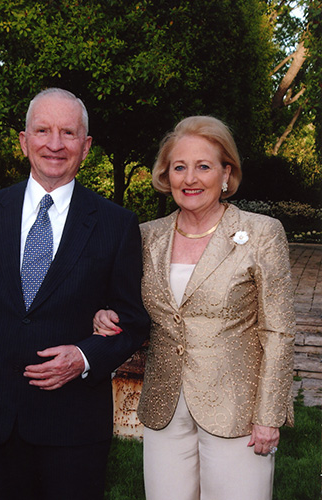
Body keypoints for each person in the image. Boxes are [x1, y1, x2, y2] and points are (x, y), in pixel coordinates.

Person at [0, 88, 150, 500]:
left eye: (68, 133)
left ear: (85, 147)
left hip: (74, 419)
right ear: (23, 140)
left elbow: (133, 320)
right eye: (43, 130)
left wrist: (86, 356)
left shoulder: (115, 224)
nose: (54, 144)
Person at [93, 116, 295, 500]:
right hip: (163, 408)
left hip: (238, 411)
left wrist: (269, 415)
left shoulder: (262, 233)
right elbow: (124, 305)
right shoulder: (145, 236)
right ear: (165, 175)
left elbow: (279, 331)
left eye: (203, 166)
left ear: (226, 173)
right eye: (179, 167)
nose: (190, 178)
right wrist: (103, 314)